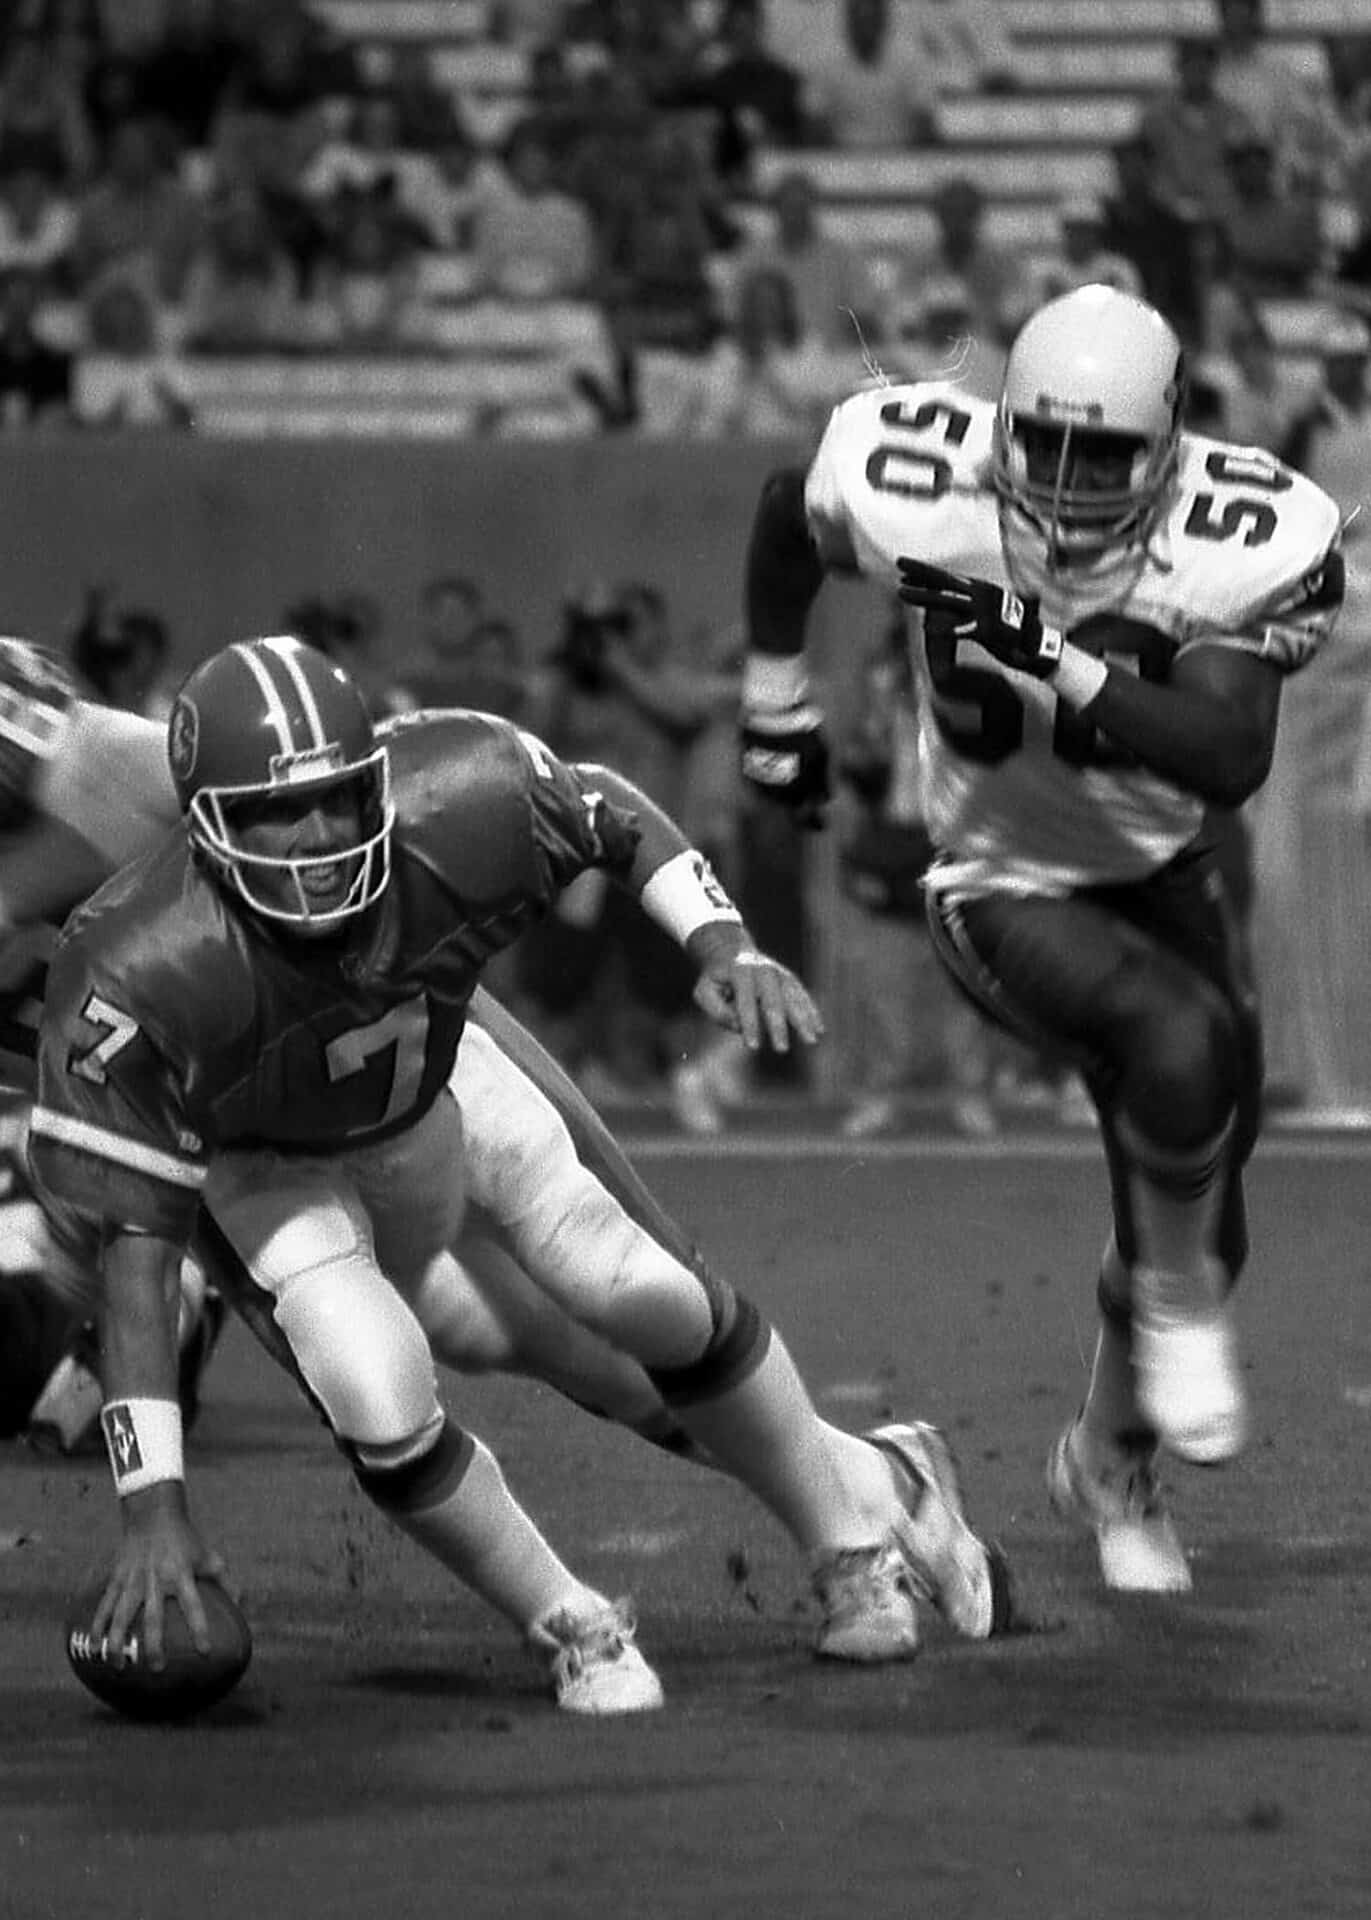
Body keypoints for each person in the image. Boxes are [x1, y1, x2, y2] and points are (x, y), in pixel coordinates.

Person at [24, 635, 1012, 1710]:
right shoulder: (132, 958)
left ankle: (851, 1541)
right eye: (276, 815)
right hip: (265, 1164)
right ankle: (572, 1618)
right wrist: (152, 1509)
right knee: (380, 1385)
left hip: (433, 1080)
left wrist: (720, 942)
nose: (317, 840)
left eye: (337, 800)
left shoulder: (443, 797)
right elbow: (135, 1243)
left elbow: (602, 812)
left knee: (637, 1292)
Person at [737, 283, 1345, 1596]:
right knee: (1174, 1046)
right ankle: (1175, 1316)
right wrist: (773, 697)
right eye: (1042, 445)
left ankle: (1108, 1459)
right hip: (991, 879)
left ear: (1167, 447)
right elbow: (788, 516)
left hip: (1156, 875)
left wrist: (1055, 658)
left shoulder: (1241, 531)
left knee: (1206, 1189)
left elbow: (1226, 752)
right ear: (1002, 420)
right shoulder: (913, 474)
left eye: (1101, 456)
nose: (1063, 488)